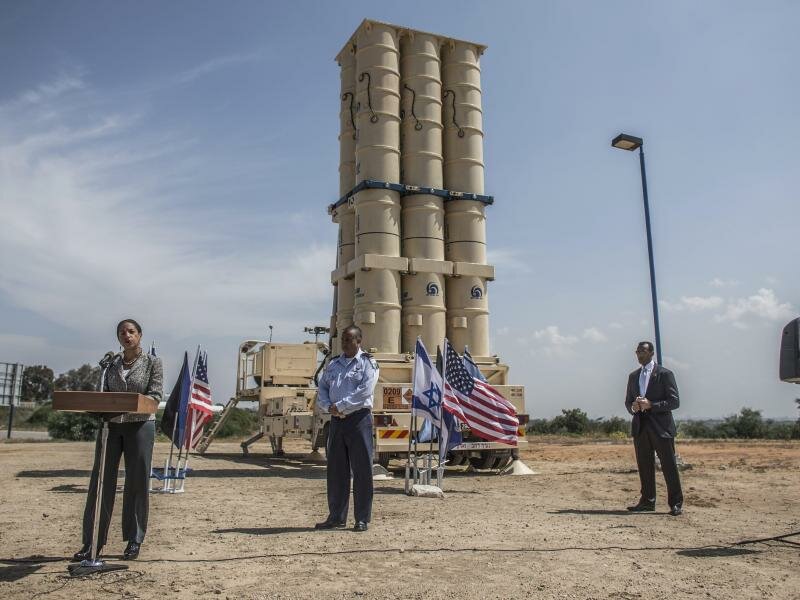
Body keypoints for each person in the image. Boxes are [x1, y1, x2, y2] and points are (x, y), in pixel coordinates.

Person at [73, 319, 163, 562]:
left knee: (136, 482)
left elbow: (155, 395)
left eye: (131, 331)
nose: (127, 335)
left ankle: (134, 540)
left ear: (140, 335)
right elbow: (102, 394)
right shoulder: (110, 364)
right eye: (122, 332)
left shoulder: (152, 362)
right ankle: (92, 542)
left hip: (140, 426)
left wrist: (135, 403)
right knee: (101, 482)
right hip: (110, 427)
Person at [314, 325, 379, 532]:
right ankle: (336, 516)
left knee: (362, 471)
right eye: (343, 339)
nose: (344, 343)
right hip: (337, 422)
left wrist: (340, 406)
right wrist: (327, 406)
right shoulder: (333, 364)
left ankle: (361, 519)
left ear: (359, 341)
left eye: (349, 339)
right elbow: (323, 387)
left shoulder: (368, 362)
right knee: (336, 470)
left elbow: (365, 390)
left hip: (358, 420)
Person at [625, 341, 684, 516]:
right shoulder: (633, 376)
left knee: (669, 466)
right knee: (644, 466)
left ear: (651, 353)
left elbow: (674, 402)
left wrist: (652, 404)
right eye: (637, 351)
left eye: (642, 351)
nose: (639, 354)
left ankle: (675, 503)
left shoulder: (665, 374)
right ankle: (647, 501)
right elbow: (628, 401)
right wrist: (633, 407)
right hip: (641, 427)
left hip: (661, 427)